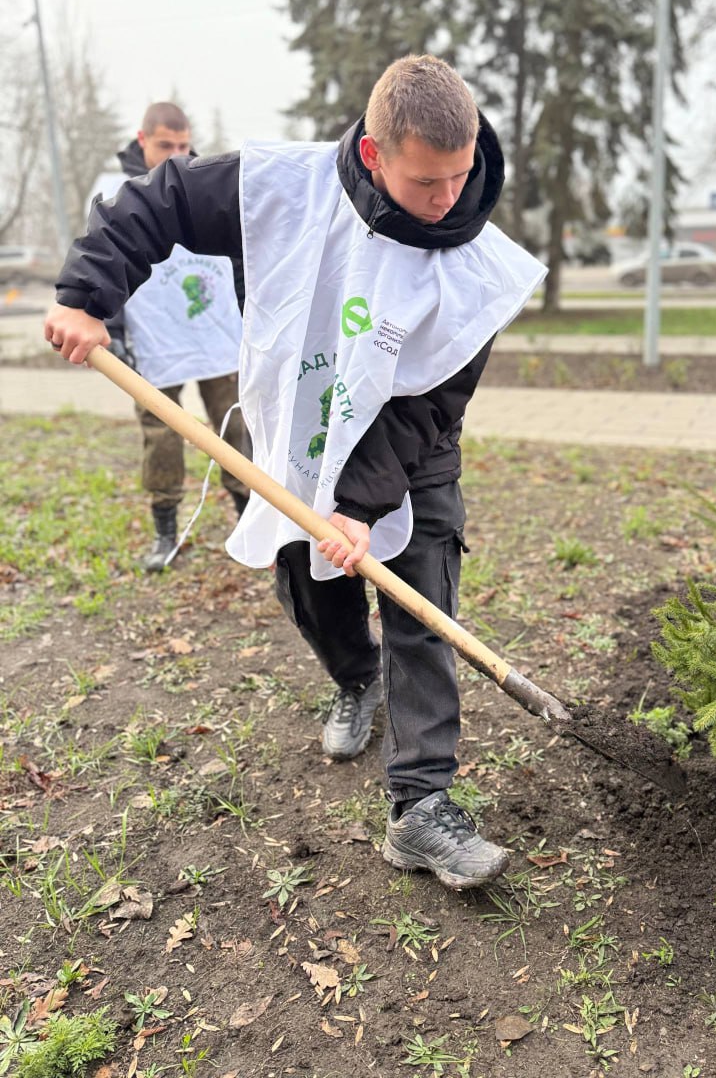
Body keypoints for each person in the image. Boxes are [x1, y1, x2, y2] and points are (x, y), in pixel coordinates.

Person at [45, 55, 545, 890]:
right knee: (310, 582)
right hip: (300, 430)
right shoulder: (283, 187)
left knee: (419, 593)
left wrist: (361, 505)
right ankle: (356, 678)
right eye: (427, 181)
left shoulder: (476, 267)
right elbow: (158, 200)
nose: (448, 198)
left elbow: (430, 405)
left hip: (411, 447)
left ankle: (421, 805)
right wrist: (86, 293)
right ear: (376, 156)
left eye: (460, 176)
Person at [88, 102, 251, 570]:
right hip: (154, 340)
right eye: (165, 145)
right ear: (142, 140)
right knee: (160, 435)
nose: (176, 155)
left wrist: (249, 316)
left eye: (183, 145)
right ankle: (165, 532)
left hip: (218, 335)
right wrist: (112, 328)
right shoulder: (115, 193)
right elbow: (102, 259)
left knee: (237, 428)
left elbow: (240, 256)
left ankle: (248, 523)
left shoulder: (208, 184)